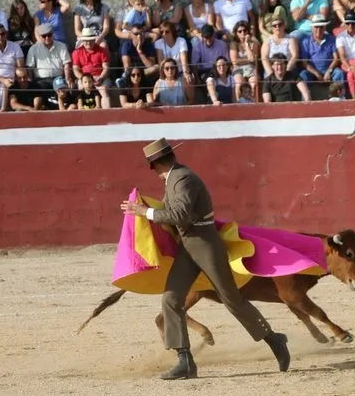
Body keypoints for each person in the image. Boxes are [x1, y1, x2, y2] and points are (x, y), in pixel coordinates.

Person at [120, 138, 291, 379]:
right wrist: (145, 210)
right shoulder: (175, 179)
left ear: (156, 165)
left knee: (231, 299)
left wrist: (144, 211)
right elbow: (172, 212)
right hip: (188, 247)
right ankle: (185, 361)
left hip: (205, 245)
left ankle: (274, 339)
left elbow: (180, 215)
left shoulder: (183, 179)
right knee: (171, 299)